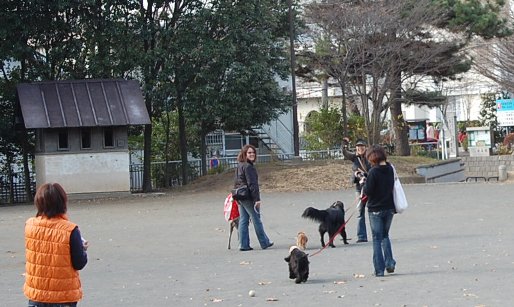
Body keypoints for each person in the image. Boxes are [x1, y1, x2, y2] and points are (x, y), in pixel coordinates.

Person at [24, 183, 89, 307]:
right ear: (62, 202)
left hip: (37, 293)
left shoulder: (29, 225)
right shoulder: (70, 229)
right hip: (63, 296)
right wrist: (83, 250)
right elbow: (79, 263)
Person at [362, 145, 396, 277]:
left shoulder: (374, 172)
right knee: (385, 235)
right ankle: (390, 263)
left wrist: (363, 182)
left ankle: (379, 269)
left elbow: (368, 191)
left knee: (376, 239)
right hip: (389, 207)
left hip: (375, 209)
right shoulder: (390, 169)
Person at [234, 144, 273, 251]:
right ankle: (264, 242)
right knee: (256, 219)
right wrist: (257, 199)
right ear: (244, 154)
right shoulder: (248, 167)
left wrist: (236, 198)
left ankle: (243, 244)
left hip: (240, 196)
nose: (252, 154)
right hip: (248, 196)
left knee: (244, 220)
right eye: (249, 153)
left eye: (253, 152)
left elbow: (237, 182)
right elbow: (253, 185)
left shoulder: (240, 165)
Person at [342, 138, 371, 243]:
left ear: (365, 148)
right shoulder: (354, 157)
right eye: (358, 147)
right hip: (359, 188)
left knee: (372, 211)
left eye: (362, 147)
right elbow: (345, 153)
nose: (360, 149)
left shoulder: (370, 157)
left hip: (371, 187)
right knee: (360, 211)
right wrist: (344, 144)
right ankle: (362, 236)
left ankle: (377, 234)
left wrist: (366, 175)